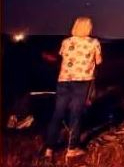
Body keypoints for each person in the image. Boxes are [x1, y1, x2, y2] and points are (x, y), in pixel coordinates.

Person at [43, 17, 102, 160]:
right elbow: (99, 61)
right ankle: (72, 148)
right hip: (82, 81)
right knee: (76, 114)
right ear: (88, 28)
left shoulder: (66, 42)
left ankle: (49, 149)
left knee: (58, 113)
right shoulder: (93, 42)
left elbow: (63, 57)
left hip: (64, 79)